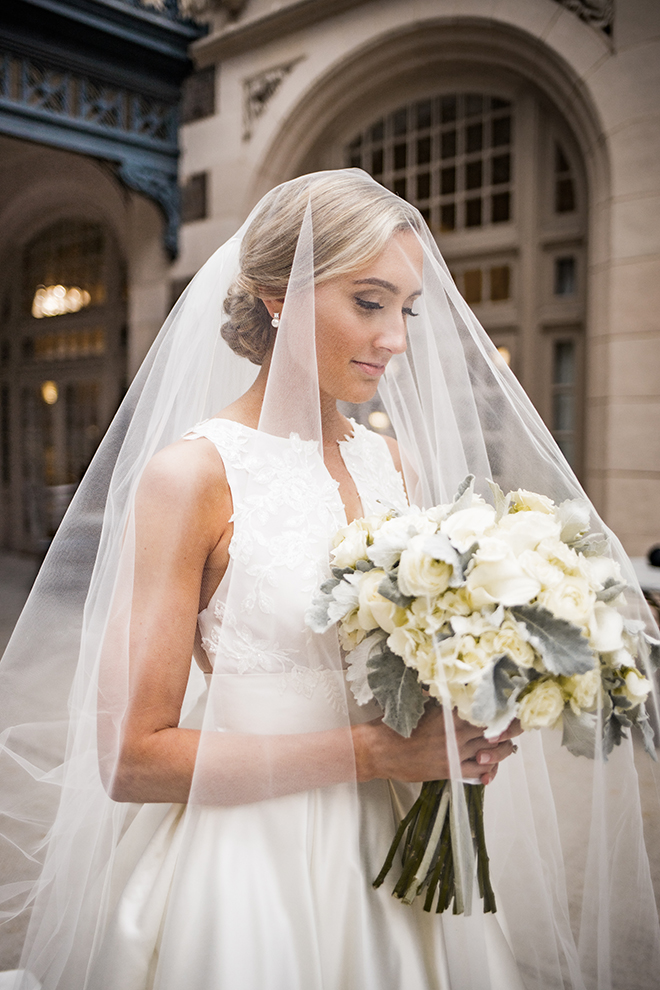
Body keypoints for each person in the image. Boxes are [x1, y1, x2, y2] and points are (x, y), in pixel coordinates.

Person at [0, 170, 658, 990]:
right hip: (248, 869)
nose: (396, 339)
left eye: (406, 309)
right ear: (278, 296)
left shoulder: (393, 461)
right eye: (370, 301)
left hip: (394, 848)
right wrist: (379, 752)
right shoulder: (192, 476)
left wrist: (484, 686)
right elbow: (132, 760)